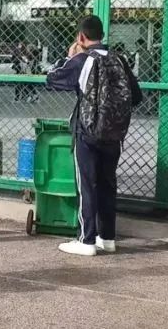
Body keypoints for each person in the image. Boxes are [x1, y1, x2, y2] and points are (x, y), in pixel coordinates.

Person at [46, 15, 142, 256]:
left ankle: (86, 239)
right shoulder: (119, 59)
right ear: (102, 35)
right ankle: (107, 238)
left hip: (87, 133)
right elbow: (136, 96)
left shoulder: (82, 60)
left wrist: (69, 57)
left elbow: (52, 78)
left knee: (87, 185)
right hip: (114, 134)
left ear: (81, 36)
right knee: (108, 184)